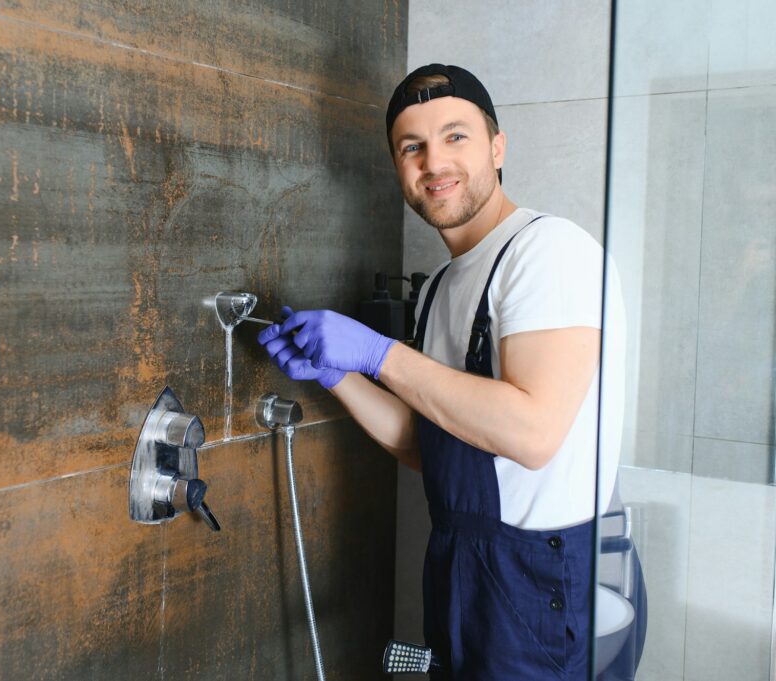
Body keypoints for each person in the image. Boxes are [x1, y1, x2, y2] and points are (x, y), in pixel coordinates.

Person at [258, 64, 636, 680]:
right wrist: (335, 374)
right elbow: (427, 444)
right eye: (413, 147)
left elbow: (533, 433)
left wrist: (380, 355)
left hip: (539, 582)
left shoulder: (549, 252)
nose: (434, 162)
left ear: (497, 146)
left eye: (454, 137)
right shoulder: (438, 287)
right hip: (461, 567)